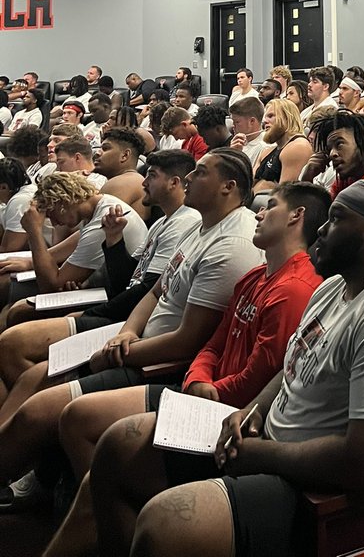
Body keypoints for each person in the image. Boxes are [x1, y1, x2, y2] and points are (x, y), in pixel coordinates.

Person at [90, 180, 364, 557]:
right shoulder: (334, 288)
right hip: (269, 447)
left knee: (163, 525)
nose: (322, 230)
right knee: (119, 447)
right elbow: (293, 363)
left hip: (317, 490)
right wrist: (255, 409)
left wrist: (257, 454)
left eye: (337, 219)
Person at [36, 183, 331, 552]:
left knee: (105, 467)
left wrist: (213, 391)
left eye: (270, 206)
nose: (259, 213)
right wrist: (197, 379)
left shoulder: (296, 288)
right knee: (94, 459)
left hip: (229, 413)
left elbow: (262, 374)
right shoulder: (254, 277)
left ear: (296, 216)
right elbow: (212, 344)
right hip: (201, 394)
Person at [0, 150, 260, 508]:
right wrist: (127, 332)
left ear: (228, 187)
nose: (188, 179)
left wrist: (119, 349)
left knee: (40, 407)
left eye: (199, 173)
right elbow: (155, 291)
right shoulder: (200, 225)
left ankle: (86, 508)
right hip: (133, 338)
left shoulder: (232, 244)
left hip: (157, 361)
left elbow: (189, 341)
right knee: (35, 377)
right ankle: (42, 467)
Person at [0, 151, 199, 418]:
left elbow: (55, 284)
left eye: (151, 176)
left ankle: (34, 425)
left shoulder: (184, 223)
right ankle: (24, 421)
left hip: (121, 318)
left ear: (174, 183)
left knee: (15, 337)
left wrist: (35, 233)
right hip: (115, 309)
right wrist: (114, 241)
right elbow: (129, 281)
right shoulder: (161, 221)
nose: (142, 184)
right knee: (18, 343)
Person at [0, 172, 148, 308]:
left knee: (18, 309)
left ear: (62, 203)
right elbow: (75, 242)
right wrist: (29, 263)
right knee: (6, 282)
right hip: (101, 285)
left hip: (116, 297)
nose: (55, 223)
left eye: (52, 214)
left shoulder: (99, 226)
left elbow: (51, 286)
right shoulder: (101, 204)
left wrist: (34, 232)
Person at [252, 99, 312, 196]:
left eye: (270, 116)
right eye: (264, 118)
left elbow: (285, 195)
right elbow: (246, 185)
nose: (264, 122)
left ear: (287, 117)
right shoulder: (266, 152)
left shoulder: (298, 147)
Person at [229, 96, 272, 168]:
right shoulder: (238, 142)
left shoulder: (265, 147)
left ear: (252, 121)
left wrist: (236, 155)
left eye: (237, 122)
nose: (233, 126)